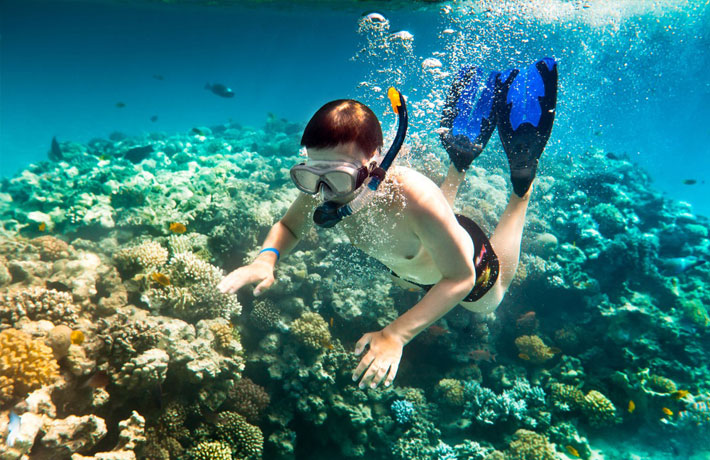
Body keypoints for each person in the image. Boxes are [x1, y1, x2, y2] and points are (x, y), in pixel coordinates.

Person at [218, 57, 558, 389]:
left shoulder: (417, 198)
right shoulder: (326, 183)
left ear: (374, 164)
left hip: (466, 263)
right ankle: (461, 155)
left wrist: (397, 334)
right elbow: (290, 226)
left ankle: (522, 184)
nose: (323, 193)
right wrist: (265, 259)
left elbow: (461, 278)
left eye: (337, 177)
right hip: (422, 249)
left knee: (488, 304)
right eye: (309, 175)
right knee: (422, 250)